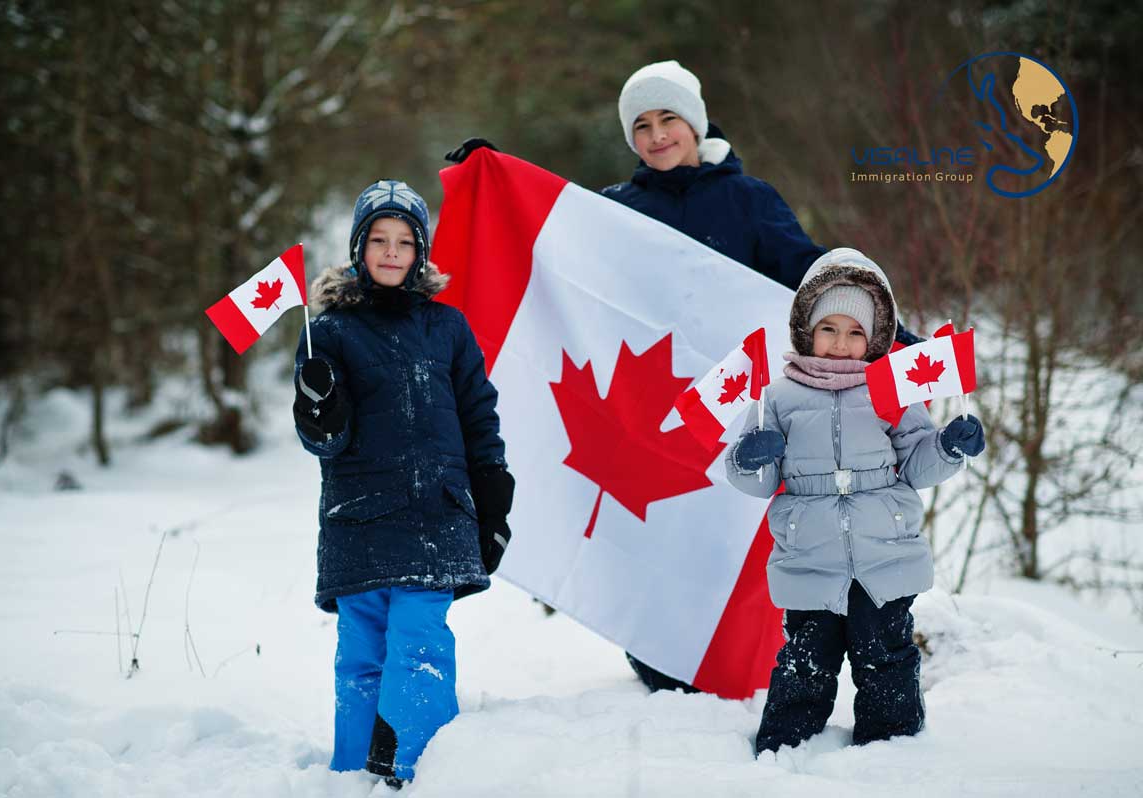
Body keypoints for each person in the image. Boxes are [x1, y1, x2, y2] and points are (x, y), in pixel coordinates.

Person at [445, 60, 920, 694]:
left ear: (694, 124)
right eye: (640, 125)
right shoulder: (617, 209)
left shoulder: (748, 200)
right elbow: (559, 253)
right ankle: (658, 656)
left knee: (724, 534)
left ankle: (737, 658)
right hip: (640, 412)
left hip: (735, 409)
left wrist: (896, 341)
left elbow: (813, 279)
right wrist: (492, 179)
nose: (656, 134)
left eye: (668, 118)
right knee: (651, 535)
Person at [292, 179, 515, 787]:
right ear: (358, 247)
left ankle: (414, 768)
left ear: (421, 252)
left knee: (418, 643)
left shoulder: (447, 328)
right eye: (379, 240)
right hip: (359, 516)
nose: (391, 253)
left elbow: (478, 413)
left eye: (405, 242)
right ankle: (353, 772)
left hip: (436, 515)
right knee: (362, 653)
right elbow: (324, 442)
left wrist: (492, 492)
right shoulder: (328, 333)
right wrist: (320, 407)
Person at [722, 247, 985, 753]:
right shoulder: (777, 397)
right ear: (805, 330)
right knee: (805, 658)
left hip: (883, 552)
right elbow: (756, 480)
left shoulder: (891, 392)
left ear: (875, 338)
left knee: (884, 654)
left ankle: (892, 750)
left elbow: (916, 462)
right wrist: (749, 458)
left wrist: (948, 447)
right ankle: (785, 746)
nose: (841, 343)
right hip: (809, 555)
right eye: (829, 329)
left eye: (855, 332)